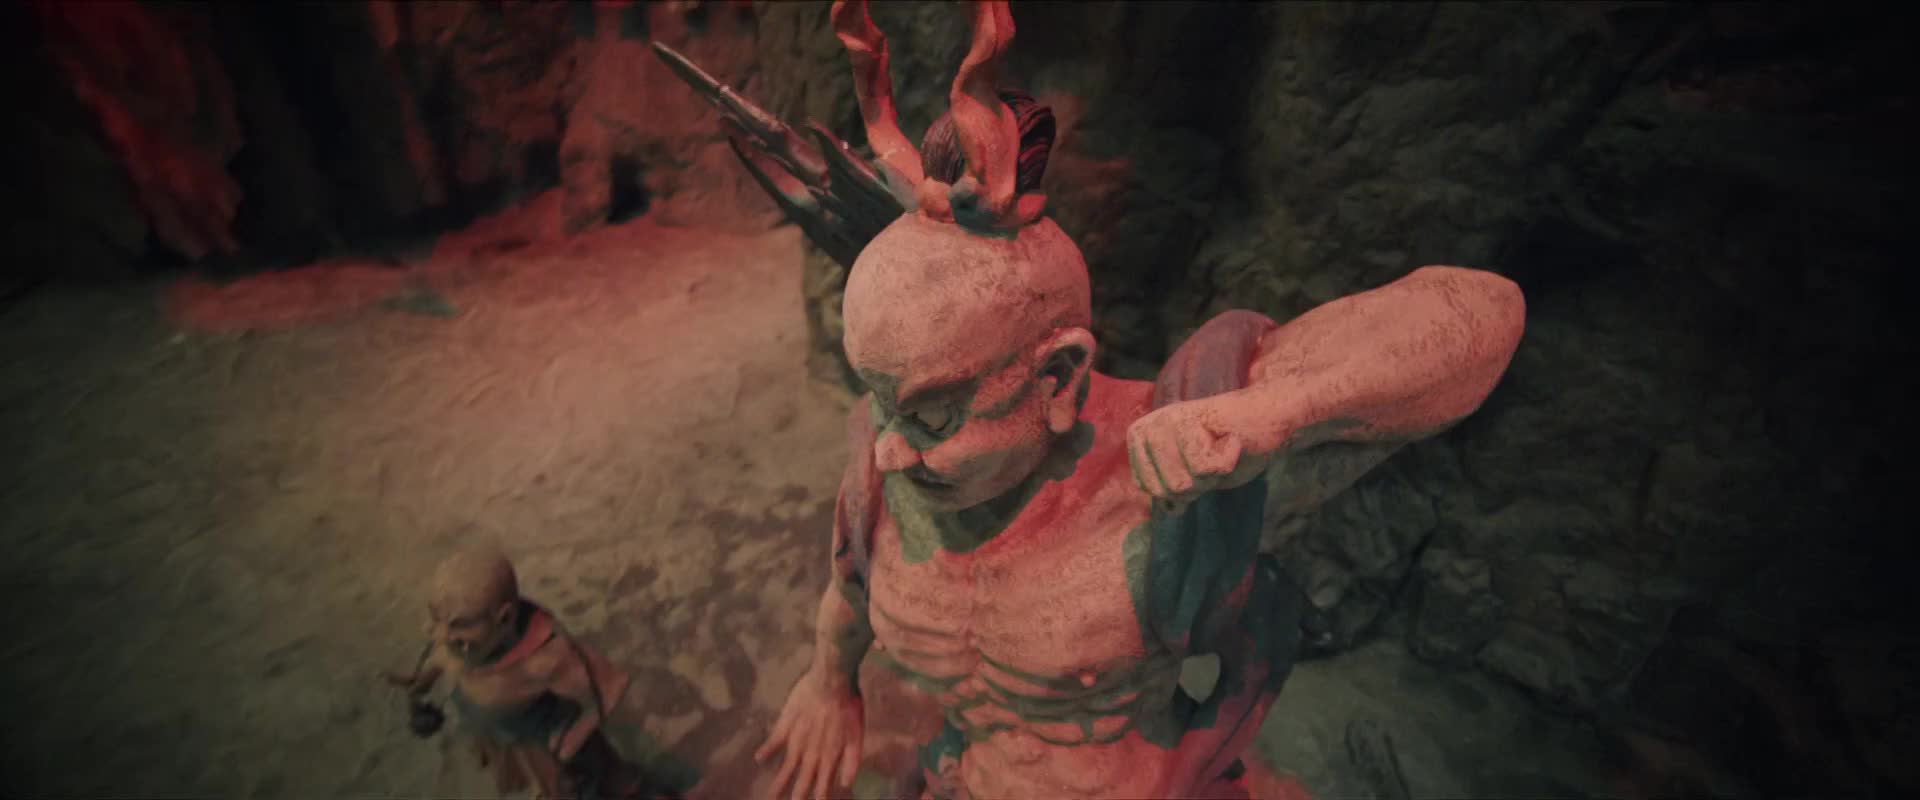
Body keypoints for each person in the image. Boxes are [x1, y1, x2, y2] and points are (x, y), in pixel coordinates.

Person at [663, 3, 1527, 797]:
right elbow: (849, 590)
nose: (888, 447)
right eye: (880, 403)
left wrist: (1274, 413)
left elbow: (1479, 311)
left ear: (1059, 379)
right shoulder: (885, 480)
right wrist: (829, 682)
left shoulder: (1161, 486)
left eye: (928, 415)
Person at [385, 548, 662, 800]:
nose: (439, 634)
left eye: (460, 624)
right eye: (434, 617)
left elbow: (607, 690)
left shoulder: (544, 659)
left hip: (544, 747)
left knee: (587, 785)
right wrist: (419, 683)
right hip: (506, 735)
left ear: (504, 619)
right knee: (538, 783)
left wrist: (570, 741)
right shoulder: (458, 643)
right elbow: (440, 659)